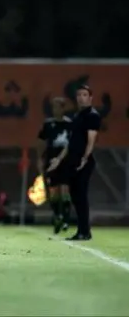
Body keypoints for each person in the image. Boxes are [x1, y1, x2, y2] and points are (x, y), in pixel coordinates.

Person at [48, 85, 101, 241]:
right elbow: (70, 142)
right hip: (73, 160)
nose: (81, 98)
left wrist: (85, 158)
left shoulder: (92, 115)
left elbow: (91, 139)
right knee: (75, 196)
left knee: (81, 196)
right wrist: (58, 159)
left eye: (84, 95)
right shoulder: (77, 116)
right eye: (79, 95)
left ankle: (85, 231)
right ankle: (81, 230)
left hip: (83, 161)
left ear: (90, 98)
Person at [36, 97, 73, 234]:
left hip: (65, 161)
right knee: (53, 192)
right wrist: (40, 158)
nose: (55, 109)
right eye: (54, 107)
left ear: (63, 108)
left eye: (58, 107)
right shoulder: (48, 124)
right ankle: (58, 216)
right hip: (51, 161)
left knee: (65, 190)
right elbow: (41, 141)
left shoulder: (69, 124)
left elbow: (71, 144)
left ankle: (66, 219)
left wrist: (61, 158)